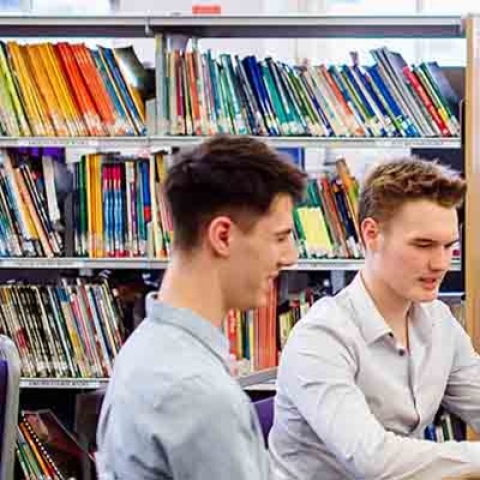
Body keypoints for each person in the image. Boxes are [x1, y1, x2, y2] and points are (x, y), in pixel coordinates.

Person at [96, 135, 306, 479]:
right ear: (223, 236)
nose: (289, 257)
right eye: (280, 237)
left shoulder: (148, 347)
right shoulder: (198, 393)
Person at [269, 157, 480, 480]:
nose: (441, 264)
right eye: (423, 245)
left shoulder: (440, 322)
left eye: (449, 246)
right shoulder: (321, 337)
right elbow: (374, 460)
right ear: (371, 234)